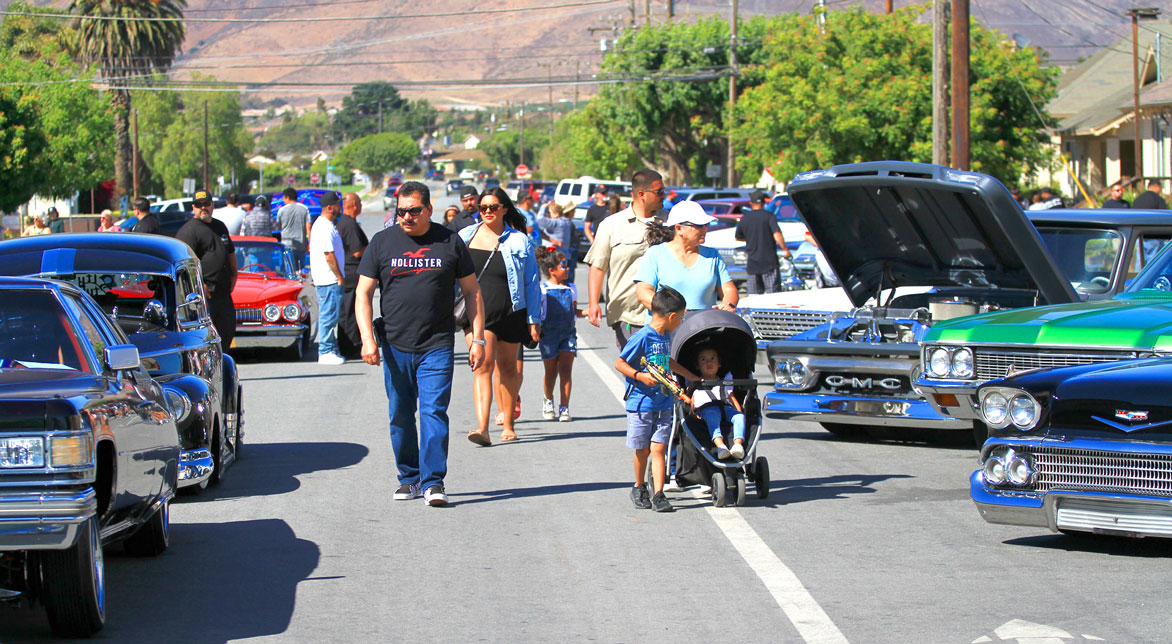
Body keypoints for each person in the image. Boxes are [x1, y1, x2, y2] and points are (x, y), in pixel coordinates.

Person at [355, 181, 486, 507]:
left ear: (429, 209)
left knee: (433, 412)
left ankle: (433, 482)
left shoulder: (449, 241)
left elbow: (472, 292)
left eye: (414, 210)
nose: (407, 217)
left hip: (437, 344)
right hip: (395, 344)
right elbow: (363, 293)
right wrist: (367, 339)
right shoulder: (382, 243)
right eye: (401, 211)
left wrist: (478, 339)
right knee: (400, 414)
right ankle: (409, 478)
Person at [459, 187, 541, 445]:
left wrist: (534, 319)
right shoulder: (464, 237)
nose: (487, 212)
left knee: (507, 368)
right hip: (477, 313)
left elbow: (531, 282)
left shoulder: (519, 240)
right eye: (483, 208)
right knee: (481, 364)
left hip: (511, 310)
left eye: (493, 207)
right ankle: (482, 428)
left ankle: (508, 421)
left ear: (504, 208)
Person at [614, 286, 697, 513]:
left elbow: (666, 361)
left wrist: (690, 376)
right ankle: (639, 486)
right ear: (671, 317)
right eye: (681, 317)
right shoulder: (642, 336)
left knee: (659, 448)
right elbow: (620, 363)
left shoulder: (665, 335)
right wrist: (640, 376)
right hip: (641, 404)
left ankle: (659, 493)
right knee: (643, 450)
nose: (681, 321)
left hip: (663, 402)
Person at [585, 169, 666, 348]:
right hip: (629, 316)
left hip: (667, 314)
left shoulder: (669, 223)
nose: (664, 195)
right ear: (642, 194)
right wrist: (593, 303)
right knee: (637, 372)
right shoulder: (611, 225)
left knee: (663, 373)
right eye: (659, 192)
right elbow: (598, 267)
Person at [635, 200, 737, 316]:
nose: (704, 229)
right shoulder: (655, 254)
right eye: (698, 225)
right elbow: (643, 292)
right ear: (678, 229)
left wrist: (728, 304)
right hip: (665, 330)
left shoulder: (713, 255)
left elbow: (729, 289)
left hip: (703, 328)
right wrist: (670, 311)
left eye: (706, 225)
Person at [175, 189, 238, 347]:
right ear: (193, 207)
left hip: (223, 292)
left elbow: (230, 250)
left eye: (206, 204)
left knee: (227, 330)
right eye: (199, 205)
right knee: (206, 338)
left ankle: (223, 366)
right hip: (203, 295)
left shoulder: (220, 226)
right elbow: (183, 263)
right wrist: (198, 285)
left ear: (212, 205)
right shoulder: (188, 231)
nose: (203, 207)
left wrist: (234, 273)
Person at [535, 245, 584, 423]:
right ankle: (548, 401)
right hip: (548, 334)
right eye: (563, 266)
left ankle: (565, 407)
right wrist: (535, 328)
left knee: (565, 369)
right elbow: (538, 313)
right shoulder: (542, 289)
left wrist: (588, 313)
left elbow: (574, 311)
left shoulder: (571, 288)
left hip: (568, 333)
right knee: (550, 371)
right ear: (552, 270)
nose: (567, 269)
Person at [687, 344, 746, 460]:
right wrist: (693, 413)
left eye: (713, 359)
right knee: (712, 414)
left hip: (725, 408)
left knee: (739, 417)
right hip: (706, 410)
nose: (709, 363)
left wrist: (739, 412)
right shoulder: (694, 383)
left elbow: (731, 397)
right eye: (703, 360)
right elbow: (691, 401)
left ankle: (738, 445)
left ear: (719, 364)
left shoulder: (725, 382)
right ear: (697, 365)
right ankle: (721, 446)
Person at [309, 191, 346, 365]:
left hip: (329, 278)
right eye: (338, 205)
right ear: (330, 207)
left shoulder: (327, 225)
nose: (340, 208)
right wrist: (339, 276)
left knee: (331, 314)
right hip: (328, 279)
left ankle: (331, 348)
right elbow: (329, 255)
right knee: (328, 315)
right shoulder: (323, 226)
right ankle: (325, 351)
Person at [734, 190, 791, 295]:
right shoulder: (769, 216)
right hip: (769, 262)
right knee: (772, 295)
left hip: (752, 262)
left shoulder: (745, 218)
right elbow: (777, 234)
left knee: (754, 296)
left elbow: (738, 237)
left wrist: (751, 238)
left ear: (751, 203)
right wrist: (785, 250)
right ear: (764, 203)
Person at [336, 192, 369, 359]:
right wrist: (371, 250)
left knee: (347, 310)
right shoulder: (349, 224)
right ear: (354, 204)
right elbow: (357, 252)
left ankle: (348, 344)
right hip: (351, 272)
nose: (362, 205)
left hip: (347, 272)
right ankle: (350, 345)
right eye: (360, 202)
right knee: (350, 312)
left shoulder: (344, 222)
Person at [278, 187, 311, 271]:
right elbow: (308, 227)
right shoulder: (304, 209)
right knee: (300, 269)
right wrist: (309, 242)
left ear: (287, 197)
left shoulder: (281, 210)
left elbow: (278, 226)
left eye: (284, 198)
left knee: (287, 269)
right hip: (301, 244)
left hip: (286, 244)